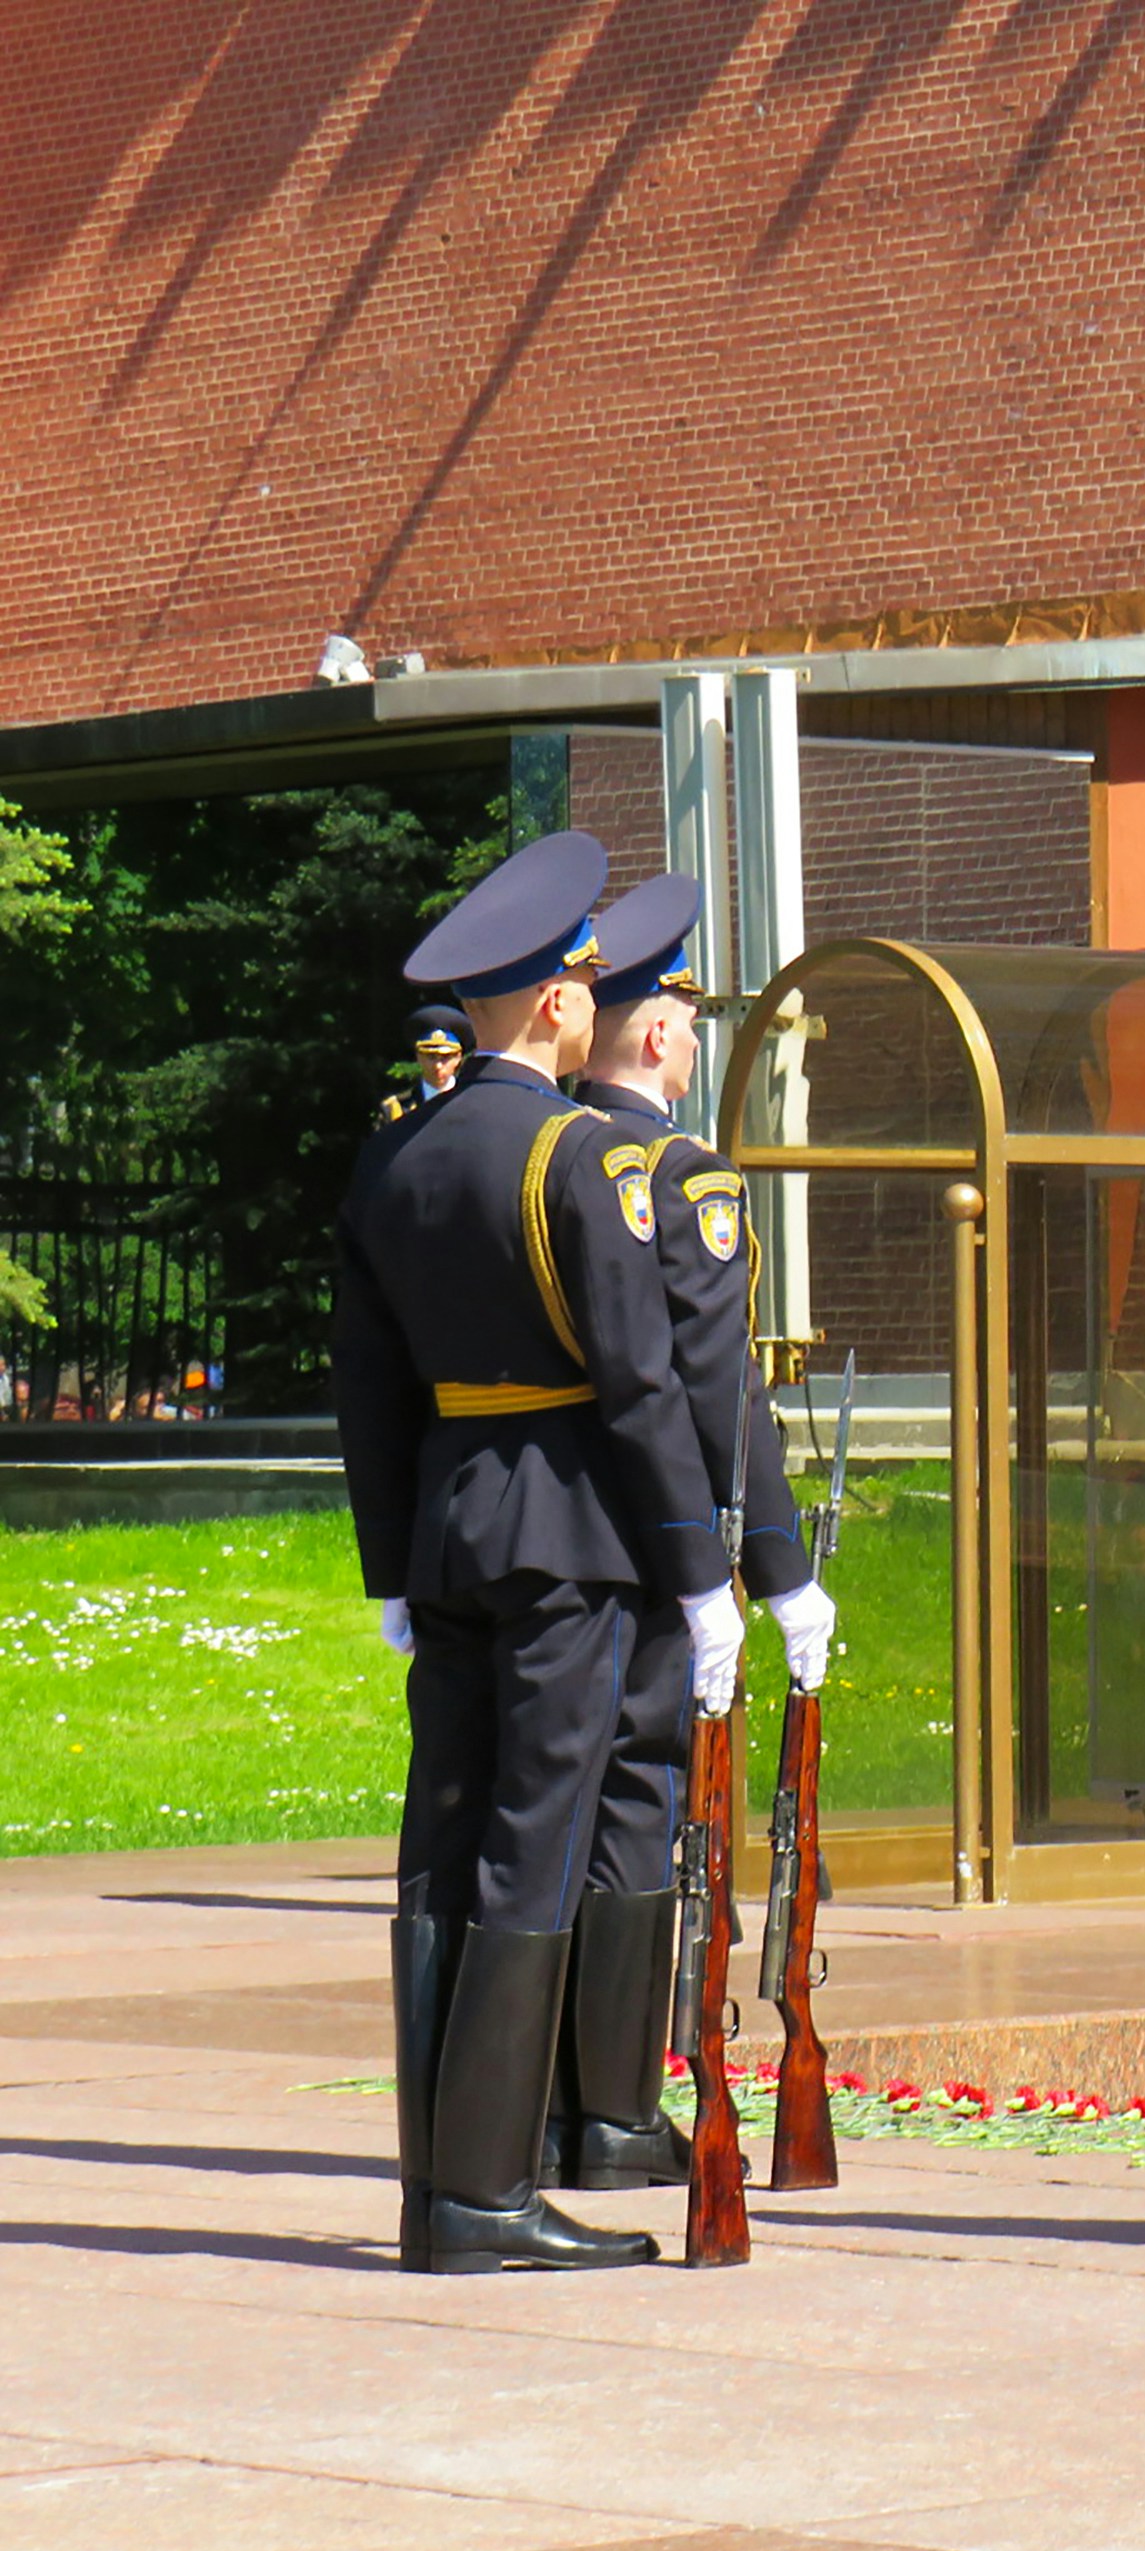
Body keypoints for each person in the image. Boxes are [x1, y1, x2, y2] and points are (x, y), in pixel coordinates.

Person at [331, 830, 742, 2275]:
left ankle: (436, 2186)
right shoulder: (576, 1156)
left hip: (449, 1530)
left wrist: (390, 1565)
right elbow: (637, 1384)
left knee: (439, 1847)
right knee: (536, 1844)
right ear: (562, 1005)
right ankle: (485, 2197)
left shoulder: (398, 1159)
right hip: (571, 1538)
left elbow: (368, 1386)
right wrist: (701, 1576)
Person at [556, 871, 837, 2189]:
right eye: (683, 1015)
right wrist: (774, 1578)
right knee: (639, 1811)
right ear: (663, 1035)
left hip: (546, 1546)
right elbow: (718, 1396)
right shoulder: (680, 1177)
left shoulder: (542, 1158)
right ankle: (614, 2113)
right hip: (655, 1558)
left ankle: (552, 2104)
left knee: (541, 1817)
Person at [376, 1004, 472, 1124]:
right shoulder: (396, 1109)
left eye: (445, 1058)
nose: (438, 1066)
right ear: (418, 1056)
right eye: (431, 1057)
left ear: (458, 1058)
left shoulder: (473, 1103)